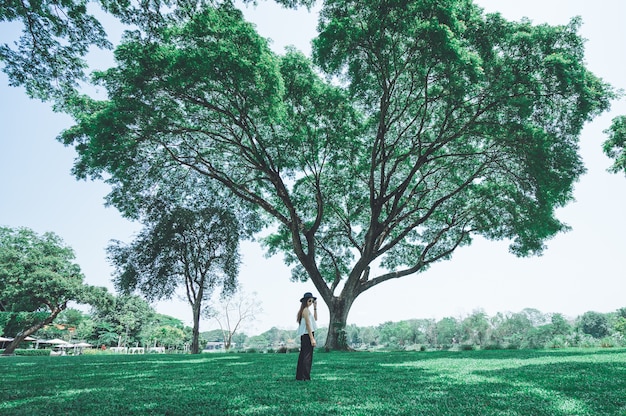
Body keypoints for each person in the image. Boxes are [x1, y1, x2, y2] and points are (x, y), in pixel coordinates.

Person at [295, 292, 318, 381]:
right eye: (309, 301)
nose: (311, 302)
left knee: (303, 356)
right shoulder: (305, 310)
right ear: (305, 301)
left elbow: (315, 319)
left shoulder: (307, 310)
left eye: (312, 301)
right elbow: (308, 324)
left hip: (306, 335)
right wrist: (312, 338)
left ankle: (300, 376)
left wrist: (315, 308)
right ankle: (305, 376)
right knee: (307, 357)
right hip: (307, 335)